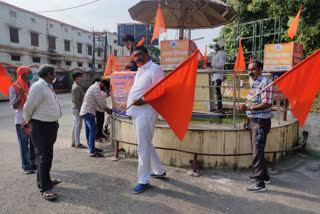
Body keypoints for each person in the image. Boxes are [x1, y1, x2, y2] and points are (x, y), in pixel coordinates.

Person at [126, 46, 166, 194]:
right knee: (146, 144)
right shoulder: (140, 70)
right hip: (136, 112)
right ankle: (159, 170)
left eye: (140, 54)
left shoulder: (155, 69)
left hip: (147, 112)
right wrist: (129, 106)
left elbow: (161, 90)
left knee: (142, 146)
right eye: (135, 56)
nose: (137, 58)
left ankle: (143, 180)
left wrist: (144, 101)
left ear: (147, 54)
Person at [23, 64, 62, 200]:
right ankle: (44, 188)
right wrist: (27, 120)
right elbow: (28, 106)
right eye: (54, 73)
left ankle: (47, 180)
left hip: (50, 125)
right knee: (43, 156)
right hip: (41, 126)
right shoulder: (38, 87)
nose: (55, 75)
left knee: (47, 155)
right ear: (48, 74)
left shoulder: (47, 86)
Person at [237, 61, 273, 192]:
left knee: (257, 152)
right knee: (257, 151)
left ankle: (259, 183)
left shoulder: (265, 83)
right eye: (248, 70)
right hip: (253, 121)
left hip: (261, 122)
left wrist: (248, 108)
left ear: (260, 69)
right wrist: (247, 119)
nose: (250, 72)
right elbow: (251, 100)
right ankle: (264, 176)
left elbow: (267, 103)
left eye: (253, 69)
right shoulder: (256, 82)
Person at [9, 66, 36, 174]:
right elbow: (13, 106)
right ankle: (26, 166)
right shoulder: (14, 87)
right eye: (29, 72)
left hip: (32, 119)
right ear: (23, 74)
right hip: (21, 120)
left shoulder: (32, 86)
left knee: (34, 143)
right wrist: (20, 96)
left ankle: (33, 163)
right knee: (24, 144)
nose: (31, 74)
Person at [80, 79, 112, 157]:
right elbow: (100, 101)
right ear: (103, 85)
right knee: (93, 131)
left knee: (89, 131)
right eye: (104, 87)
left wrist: (107, 94)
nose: (104, 89)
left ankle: (92, 148)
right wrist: (107, 109)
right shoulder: (96, 88)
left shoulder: (95, 87)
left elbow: (101, 95)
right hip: (88, 112)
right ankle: (92, 152)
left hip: (87, 111)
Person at [71, 71, 87, 148]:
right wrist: (81, 111)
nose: (81, 78)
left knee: (75, 125)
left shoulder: (75, 86)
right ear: (76, 78)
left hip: (75, 108)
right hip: (77, 109)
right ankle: (77, 143)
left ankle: (73, 142)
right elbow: (77, 101)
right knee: (78, 126)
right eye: (80, 77)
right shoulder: (76, 87)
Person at [210, 41, 226, 113]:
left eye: (216, 45)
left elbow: (221, 65)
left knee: (217, 92)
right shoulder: (215, 54)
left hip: (218, 76)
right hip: (214, 75)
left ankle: (219, 108)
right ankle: (217, 107)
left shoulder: (221, 54)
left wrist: (213, 65)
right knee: (216, 92)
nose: (215, 46)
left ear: (219, 46)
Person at [92, 78, 106, 142]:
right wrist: (106, 108)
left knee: (101, 122)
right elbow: (99, 100)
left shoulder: (99, 89)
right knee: (98, 123)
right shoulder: (96, 89)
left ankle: (100, 134)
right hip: (98, 109)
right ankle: (97, 136)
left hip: (101, 109)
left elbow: (104, 96)